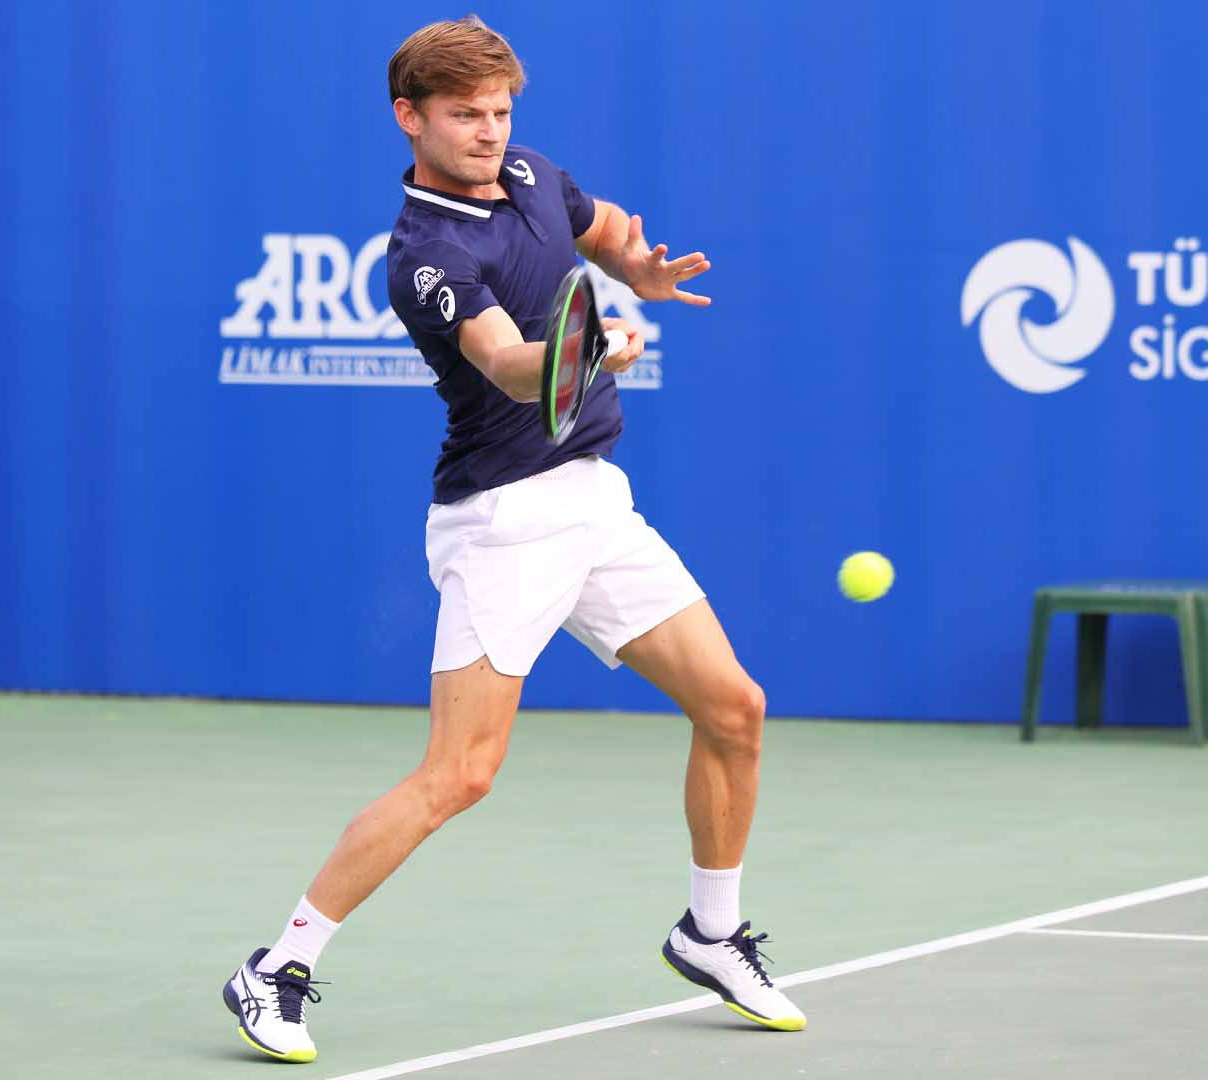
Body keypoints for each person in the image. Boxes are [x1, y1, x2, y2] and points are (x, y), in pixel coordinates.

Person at [221, 15, 804, 1063]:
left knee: (734, 707)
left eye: (500, 113)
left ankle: (710, 934)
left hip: (593, 502)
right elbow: (506, 364)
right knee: (461, 774)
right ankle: (276, 968)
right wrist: (596, 346)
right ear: (411, 119)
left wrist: (641, 264)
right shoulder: (427, 255)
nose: (490, 133)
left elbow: (604, 227)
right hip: (502, 523)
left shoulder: (532, 172)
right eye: (465, 117)